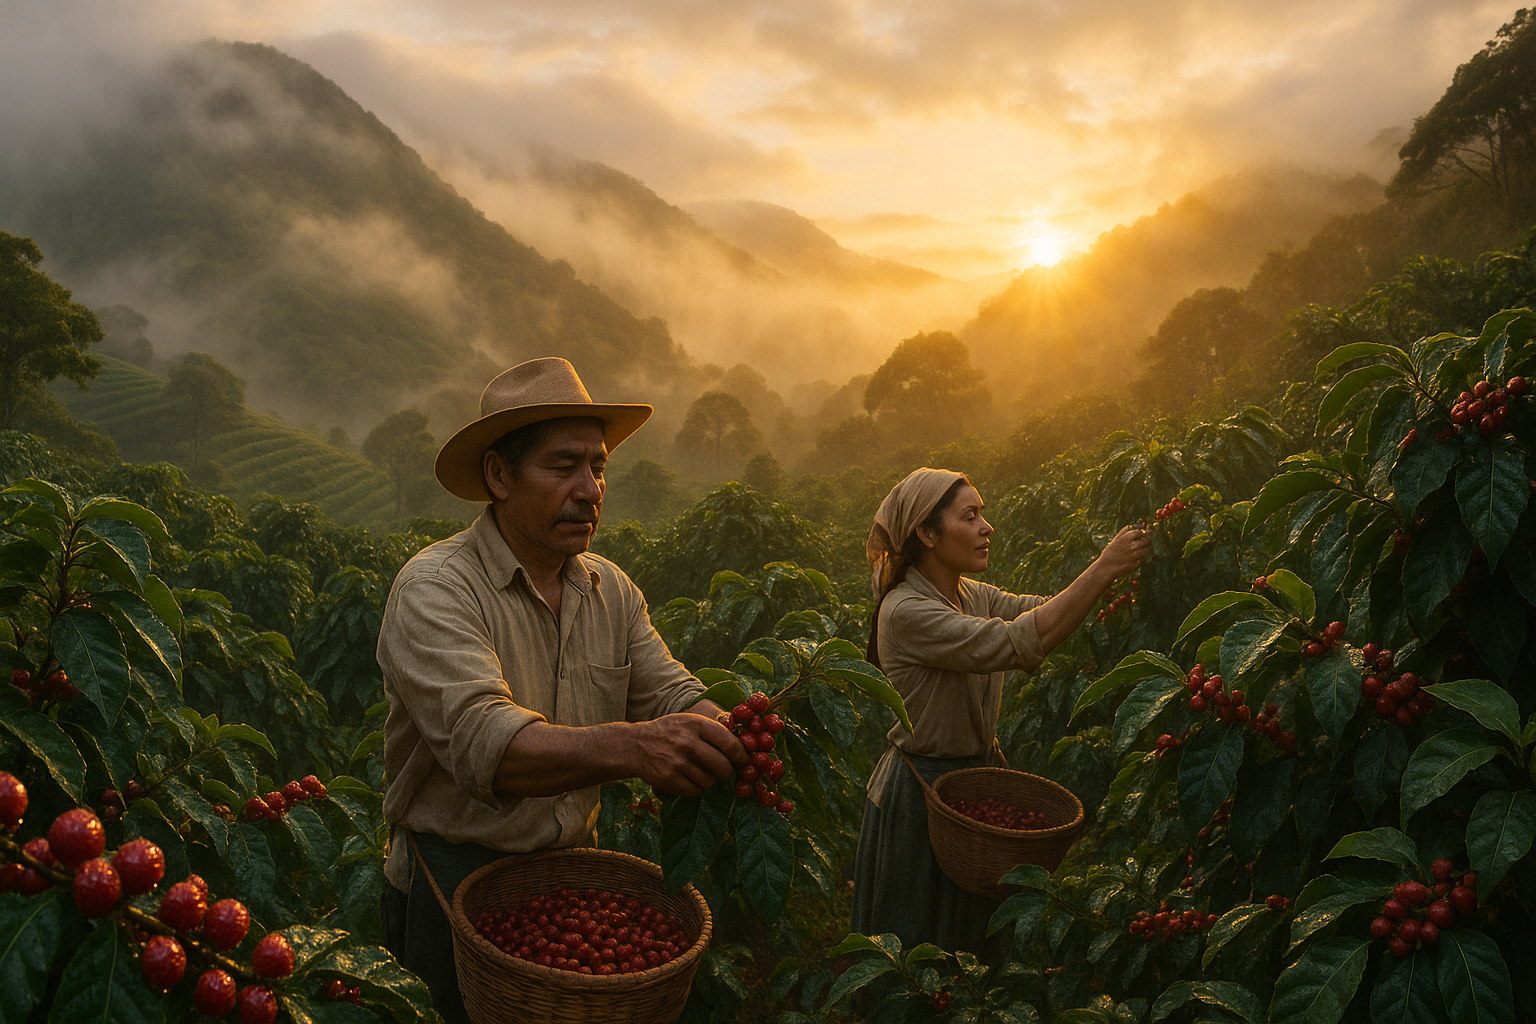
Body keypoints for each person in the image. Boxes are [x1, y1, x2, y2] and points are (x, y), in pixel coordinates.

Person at [375, 357, 748, 1022]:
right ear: (498, 475)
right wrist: (636, 750)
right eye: (563, 466)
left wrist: (729, 728)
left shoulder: (610, 590)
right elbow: (488, 745)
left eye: (598, 467)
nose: (591, 489)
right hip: (447, 887)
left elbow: (669, 692)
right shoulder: (435, 590)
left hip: (570, 887)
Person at [851, 467, 1148, 955]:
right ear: (927, 532)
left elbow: (1040, 611)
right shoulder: (906, 612)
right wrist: (1102, 567)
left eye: (983, 514)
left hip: (974, 783)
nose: (986, 527)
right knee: (920, 946)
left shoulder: (969, 595)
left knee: (972, 948)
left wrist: (1108, 577)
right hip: (921, 793)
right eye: (970, 516)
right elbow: (1019, 640)